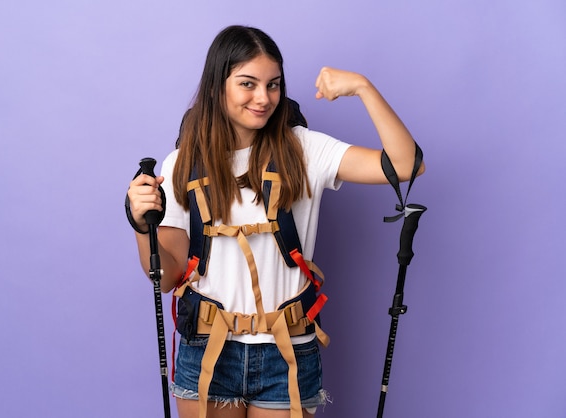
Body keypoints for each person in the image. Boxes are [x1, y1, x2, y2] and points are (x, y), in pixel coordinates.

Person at [127, 25, 425, 418]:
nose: (263, 98)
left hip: (287, 348)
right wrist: (140, 225)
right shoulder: (182, 163)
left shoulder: (304, 149)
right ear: (218, 86)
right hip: (208, 348)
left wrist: (364, 88)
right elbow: (166, 278)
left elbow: (407, 165)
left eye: (273, 85)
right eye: (247, 84)